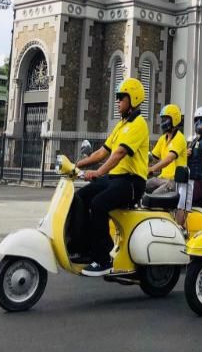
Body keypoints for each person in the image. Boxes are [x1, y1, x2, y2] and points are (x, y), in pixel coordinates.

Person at [73, 78, 149, 276]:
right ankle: (86, 249)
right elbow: (103, 152)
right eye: (117, 99)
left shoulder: (138, 124)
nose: (117, 102)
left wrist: (98, 173)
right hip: (115, 179)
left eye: (121, 98)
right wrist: (76, 165)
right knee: (81, 196)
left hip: (132, 182)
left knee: (98, 204)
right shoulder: (121, 125)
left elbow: (119, 154)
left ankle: (103, 258)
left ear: (132, 99)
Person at [148, 104, 189, 228]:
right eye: (162, 120)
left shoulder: (180, 139)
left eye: (165, 119)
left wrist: (152, 169)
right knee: (141, 188)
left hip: (173, 181)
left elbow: (169, 159)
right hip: (161, 178)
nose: (162, 123)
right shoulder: (162, 139)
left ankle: (159, 226)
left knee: (153, 196)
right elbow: (152, 157)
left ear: (174, 120)